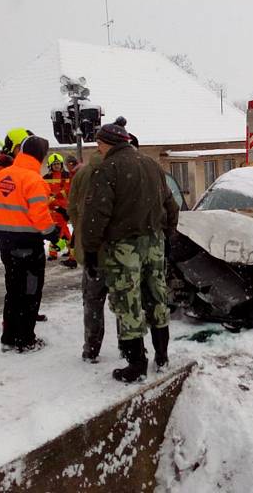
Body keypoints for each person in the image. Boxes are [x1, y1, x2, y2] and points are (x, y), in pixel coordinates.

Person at [81, 117, 179, 383]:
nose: (98, 149)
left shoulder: (108, 168)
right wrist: (168, 236)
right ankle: (162, 354)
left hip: (125, 247)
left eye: (98, 144)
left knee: (128, 301)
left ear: (106, 143)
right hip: (154, 242)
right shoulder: (151, 165)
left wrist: (90, 250)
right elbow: (171, 205)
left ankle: (136, 363)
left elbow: (96, 214)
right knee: (156, 295)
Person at [0, 135, 60, 353]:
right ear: (40, 155)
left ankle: (9, 336)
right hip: (27, 242)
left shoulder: (0, 176)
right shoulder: (33, 179)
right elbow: (39, 213)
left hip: (4, 239)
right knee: (30, 291)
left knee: (13, 289)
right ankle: (25, 338)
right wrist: (52, 233)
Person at [67, 147, 107, 363]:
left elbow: (72, 207)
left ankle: (91, 347)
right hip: (118, 250)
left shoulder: (82, 174)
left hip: (91, 250)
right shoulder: (117, 170)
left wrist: (81, 228)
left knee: (92, 300)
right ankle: (127, 346)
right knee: (123, 301)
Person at [43, 153, 75, 266]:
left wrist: (58, 198)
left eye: (58, 164)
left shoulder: (68, 176)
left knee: (62, 230)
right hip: (52, 209)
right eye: (54, 164)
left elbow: (69, 190)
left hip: (64, 208)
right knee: (58, 230)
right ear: (50, 166)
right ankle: (57, 252)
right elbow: (44, 192)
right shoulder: (45, 178)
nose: (56, 166)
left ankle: (71, 254)